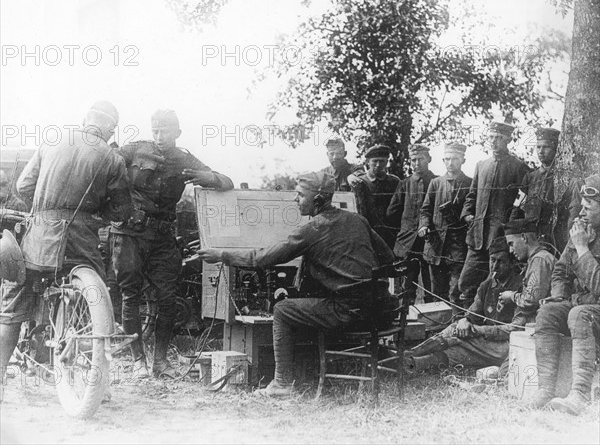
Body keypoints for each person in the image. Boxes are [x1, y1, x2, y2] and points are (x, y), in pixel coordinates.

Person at [197, 171, 398, 397]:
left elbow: (262, 259)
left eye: (301, 195)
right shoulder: (358, 220)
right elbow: (388, 257)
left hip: (350, 313)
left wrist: (222, 254)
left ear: (318, 200)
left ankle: (282, 383)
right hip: (381, 310)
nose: (295, 199)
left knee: (283, 310)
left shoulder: (312, 229)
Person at [0, 100, 132, 400]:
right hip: (80, 244)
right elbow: (122, 211)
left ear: (85, 118)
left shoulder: (53, 142)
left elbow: (23, 186)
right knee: (96, 301)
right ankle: (100, 383)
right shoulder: (112, 158)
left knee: (12, 306)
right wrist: (98, 213)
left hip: (40, 240)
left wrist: (45, 207)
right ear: (111, 129)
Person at [111, 109, 234, 379]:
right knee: (130, 296)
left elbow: (226, 181)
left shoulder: (184, 159)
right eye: (155, 131)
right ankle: (137, 361)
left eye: (164, 131)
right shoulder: (135, 150)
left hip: (163, 238)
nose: (159, 137)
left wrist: (209, 179)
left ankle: (160, 362)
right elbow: (107, 164)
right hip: (130, 234)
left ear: (177, 132)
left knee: (167, 298)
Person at [530, 174, 600, 415]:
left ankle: (579, 394)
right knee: (547, 313)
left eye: (588, 207)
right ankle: (546, 389)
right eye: (581, 206)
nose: (581, 212)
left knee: (579, 315)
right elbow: (560, 271)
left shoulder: (581, 238)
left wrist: (582, 248)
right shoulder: (581, 231)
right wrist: (559, 296)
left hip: (592, 309)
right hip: (584, 305)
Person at [404, 237, 524, 372]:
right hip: (486, 344)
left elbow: (515, 330)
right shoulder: (487, 285)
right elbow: (473, 313)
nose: (495, 266)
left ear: (512, 263)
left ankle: (407, 355)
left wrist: (477, 330)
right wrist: (466, 320)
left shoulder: (519, 287)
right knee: (456, 351)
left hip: (506, 347)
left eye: (501, 261)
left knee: (459, 337)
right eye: (492, 260)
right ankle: (411, 363)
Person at [458, 121, 530, 307]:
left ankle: (490, 326)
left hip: (500, 239)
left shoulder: (518, 167)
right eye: (490, 137)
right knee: (465, 283)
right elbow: (472, 195)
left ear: (508, 139)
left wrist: (510, 226)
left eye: (498, 138)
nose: (494, 141)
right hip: (476, 237)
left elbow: (521, 199)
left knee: (495, 284)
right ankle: (463, 324)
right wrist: (467, 215)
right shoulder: (482, 166)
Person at [511, 127, 581, 253]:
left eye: (546, 147)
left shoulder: (566, 179)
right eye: (538, 147)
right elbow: (517, 207)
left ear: (556, 149)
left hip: (555, 240)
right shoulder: (530, 178)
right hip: (532, 240)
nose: (541, 151)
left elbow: (573, 213)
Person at [419, 143, 472, 305]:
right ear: (443, 160)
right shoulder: (436, 183)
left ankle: (455, 326)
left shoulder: (470, 183)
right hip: (436, 247)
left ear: (463, 160)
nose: (450, 163)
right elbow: (425, 209)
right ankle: (437, 328)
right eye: (447, 159)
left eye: (455, 158)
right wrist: (424, 225)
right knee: (437, 293)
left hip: (459, 247)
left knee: (456, 292)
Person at [387, 144, 437, 303]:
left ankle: (432, 321)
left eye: (420, 159)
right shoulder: (404, 184)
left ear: (429, 159)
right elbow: (392, 212)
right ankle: (405, 321)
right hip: (407, 242)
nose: (417, 163)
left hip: (430, 241)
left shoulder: (436, 182)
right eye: (413, 160)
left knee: (431, 284)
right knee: (406, 286)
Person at [354, 144, 400, 249]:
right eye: (375, 161)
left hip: (389, 233)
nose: (378, 165)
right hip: (366, 231)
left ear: (387, 162)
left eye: (382, 161)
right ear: (367, 162)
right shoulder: (360, 182)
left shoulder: (395, 182)